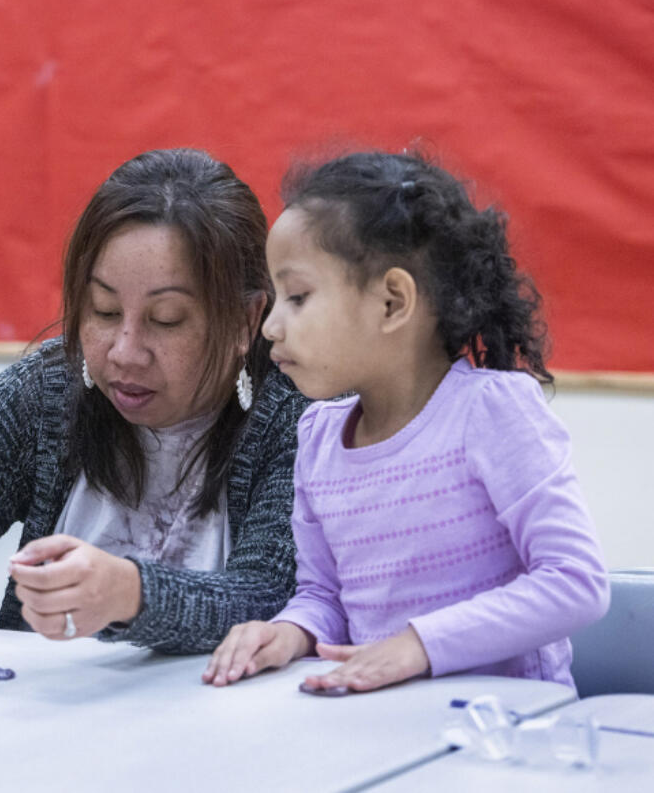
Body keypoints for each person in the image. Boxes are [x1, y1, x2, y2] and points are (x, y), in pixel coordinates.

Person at [0, 148, 309, 658]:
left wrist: (129, 594)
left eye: (166, 319)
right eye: (103, 310)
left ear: (246, 321)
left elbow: (273, 599)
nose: (124, 351)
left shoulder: (300, 411)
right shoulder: (51, 391)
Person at [204, 151, 609, 692]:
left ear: (393, 302)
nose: (271, 327)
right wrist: (288, 632)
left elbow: (575, 583)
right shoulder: (319, 436)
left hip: (505, 732)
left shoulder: (490, 413)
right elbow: (324, 597)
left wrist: (418, 646)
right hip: (383, 722)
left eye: (297, 297)